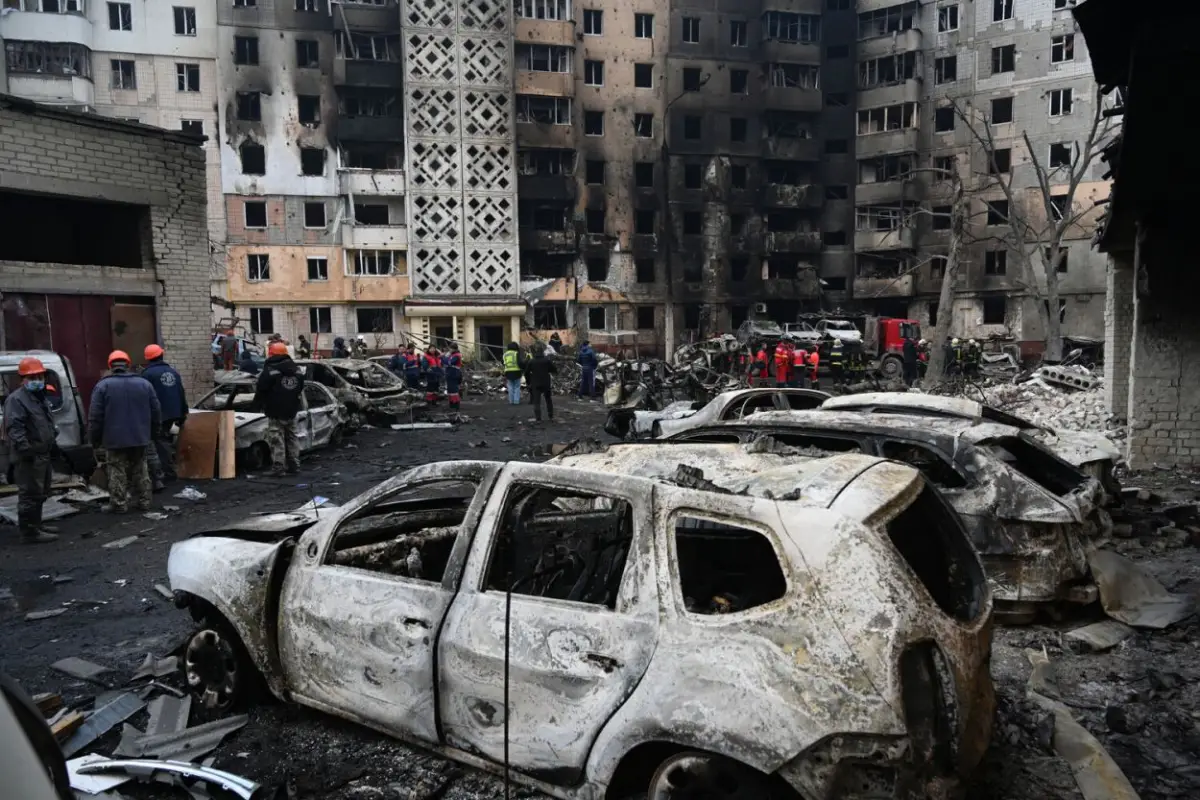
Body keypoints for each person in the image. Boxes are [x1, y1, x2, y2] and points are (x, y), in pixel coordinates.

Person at [90, 351, 160, 514]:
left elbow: (95, 417)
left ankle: (119, 504)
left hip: (114, 439)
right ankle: (144, 501)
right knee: (141, 469)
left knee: (116, 470)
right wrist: (154, 434)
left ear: (110, 366)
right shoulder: (144, 384)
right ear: (128, 365)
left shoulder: (102, 386)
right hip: (140, 437)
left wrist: (94, 440)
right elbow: (156, 411)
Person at [2, 357, 60, 543]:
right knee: (29, 494)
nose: (37, 380)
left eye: (39, 376)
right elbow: (15, 428)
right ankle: (29, 532)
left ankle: (37, 524)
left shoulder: (38, 397)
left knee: (41, 491)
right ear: (23, 379)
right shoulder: (16, 400)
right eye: (32, 377)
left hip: (42, 452)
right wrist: (26, 451)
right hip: (29, 455)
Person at [252, 341, 304, 476]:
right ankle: (294, 465)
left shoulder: (270, 370)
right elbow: (300, 388)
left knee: (276, 438)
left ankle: (279, 468)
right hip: (292, 410)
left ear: (271, 354)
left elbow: (261, 389)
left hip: (275, 410)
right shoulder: (296, 369)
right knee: (292, 437)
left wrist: (256, 406)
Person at [141, 344, 188, 487]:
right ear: (161, 355)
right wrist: (183, 414)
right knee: (163, 441)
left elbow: (145, 397)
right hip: (173, 413)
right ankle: (165, 471)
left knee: (159, 443)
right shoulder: (173, 372)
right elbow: (181, 392)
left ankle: (167, 473)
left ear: (148, 358)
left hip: (158, 415)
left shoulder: (147, 375)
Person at [523, 344, 557, 422]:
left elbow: (526, 373)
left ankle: (538, 418)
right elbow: (554, 369)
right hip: (546, 382)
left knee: (536, 401)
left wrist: (529, 382)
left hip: (536, 382)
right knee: (548, 399)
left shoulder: (532, 361)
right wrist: (547, 370)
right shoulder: (547, 360)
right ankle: (550, 415)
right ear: (543, 352)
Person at [443, 342, 463, 411]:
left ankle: (456, 405)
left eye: (450, 349)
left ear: (454, 349)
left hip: (454, 374)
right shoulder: (452, 355)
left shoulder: (457, 355)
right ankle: (451, 405)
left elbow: (449, 362)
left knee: (454, 389)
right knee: (450, 389)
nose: (449, 350)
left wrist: (444, 357)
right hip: (449, 373)